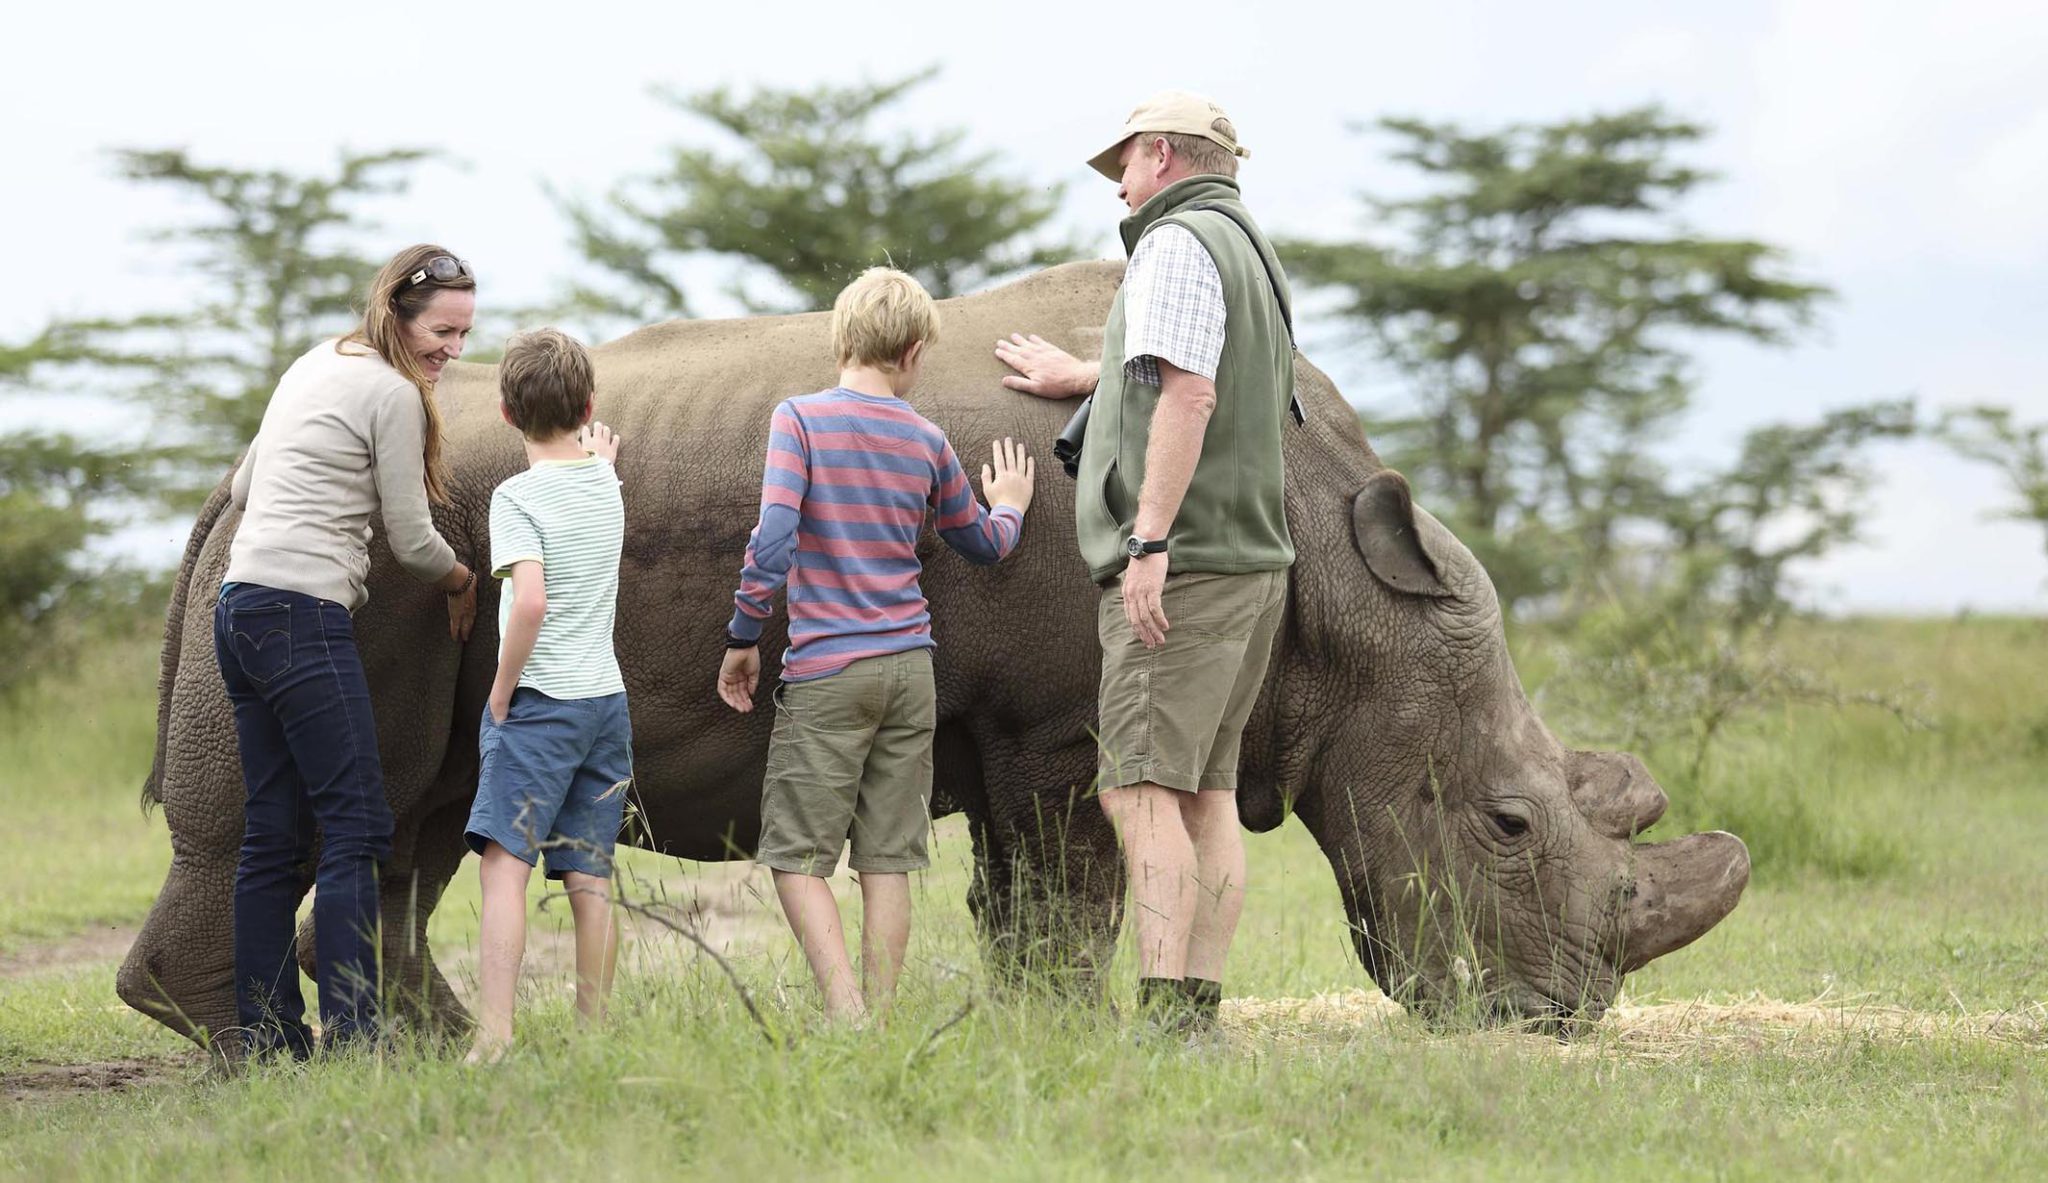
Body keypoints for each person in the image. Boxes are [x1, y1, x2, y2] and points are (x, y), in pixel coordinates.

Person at [994, 92, 1297, 1036]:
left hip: (1190, 559)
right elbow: (1214, 365)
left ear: (1161, 154)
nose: (1118, 187)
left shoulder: (1172, 241)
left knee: (1136, 787)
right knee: (1205, 789)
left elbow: (1192, 393)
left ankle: (1166, 1016)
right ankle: (1193, 1012)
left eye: (1123, 165)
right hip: (1252, 560)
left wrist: (1150, 539)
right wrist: (1090, 375)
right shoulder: (1254, 251)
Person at [718, 267, 1036, 1023]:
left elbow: (772, 540)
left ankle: (847, 1009)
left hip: (830, 667)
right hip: (909, 671)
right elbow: (984, 544)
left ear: (842, 337)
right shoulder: (926, 439)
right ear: (915, 351)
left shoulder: (798, 419)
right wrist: (1014, 507)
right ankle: (881, 1017)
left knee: (795, 858)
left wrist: (742, 635)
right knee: (887, 859)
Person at [216, 244, 480, 1058]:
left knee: (273, 835)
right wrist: (464, 577)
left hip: (241, 609)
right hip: (300, 616)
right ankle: (358, 1032)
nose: (455, 350)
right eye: (443, 330)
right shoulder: (391, 392)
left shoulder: (315, 364)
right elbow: (410, 536)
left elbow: (238, 490)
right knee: (359, 824)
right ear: (398, 314)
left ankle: (266, 1037)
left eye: (467, 333)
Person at [462, 328, 630, 1063]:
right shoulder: (605, 478)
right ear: (590, 404)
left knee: (503, 866)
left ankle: (495, 1034)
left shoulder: (515, 497)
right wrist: (601, 459)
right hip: (605, 703)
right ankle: (592, 1035)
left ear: (504, 412)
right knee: (589, 874)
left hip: (540, 703)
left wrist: (501, 690)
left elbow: (528, 603)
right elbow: (595, 474)